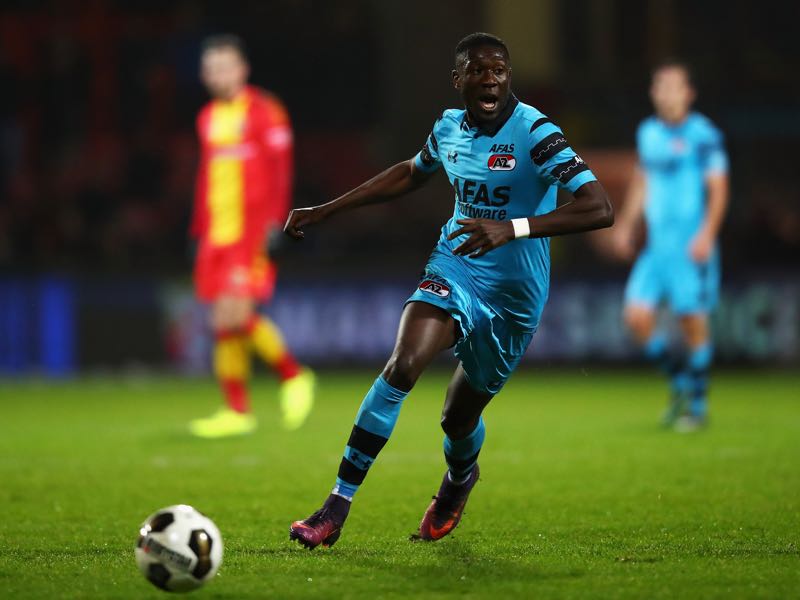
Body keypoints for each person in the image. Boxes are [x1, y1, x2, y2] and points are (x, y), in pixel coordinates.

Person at [284, 32, 613, 548]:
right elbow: (410, 174)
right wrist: (326, 211)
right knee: (402, 366)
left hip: (514, 297)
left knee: (457, 420)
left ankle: (460, 480)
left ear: (509, 77)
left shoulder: (536, 132)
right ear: (458, 79)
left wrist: (513, 227)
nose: (490, 79)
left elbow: (599, 207)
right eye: (479, 70)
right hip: (455, 265)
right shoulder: (448, 127)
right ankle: (335, 506)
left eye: (499, 70)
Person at [188, 34, 314, 438]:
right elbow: (207, 176)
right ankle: (236, 411)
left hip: (250, 232)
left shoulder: (265, 111)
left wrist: (277, 222)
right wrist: (197, 229)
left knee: (236, 314)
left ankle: (294, 376)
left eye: (224, 66)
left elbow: (281, 172)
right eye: (210, 68)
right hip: (216, 235)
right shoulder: (207, 116)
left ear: (242, 69)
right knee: (222, 320)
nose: (217, 75)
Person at [613, 60, 729, 432]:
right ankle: (680, 383)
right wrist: (627, 224)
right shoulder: (648, 132)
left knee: (692, 322)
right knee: (636, 317)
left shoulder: (703, 134)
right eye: (659, 85)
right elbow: (642, 179)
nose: (664, 92)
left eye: (672, 85)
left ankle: (698, 404)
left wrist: (707, 235)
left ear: (688, 93)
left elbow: (719, 188)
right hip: (656, 248)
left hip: (689, 245)